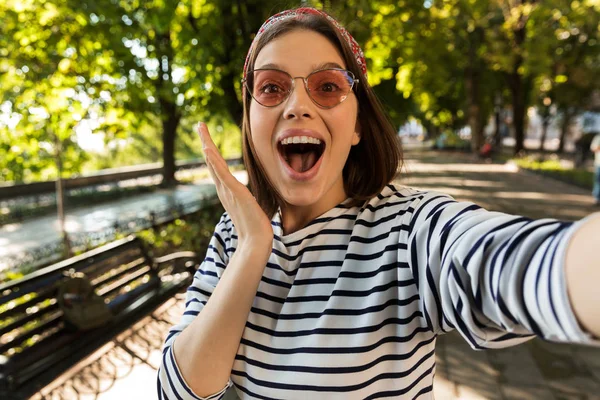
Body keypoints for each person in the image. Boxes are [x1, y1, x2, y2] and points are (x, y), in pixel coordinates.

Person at [158, 8, 600, 400]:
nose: (298, 106)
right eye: (271, 88)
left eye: (327, 87)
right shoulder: (234, 233)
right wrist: (253, 247)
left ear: (357, 127)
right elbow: (179, 389)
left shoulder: (409, 230)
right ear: (250, 122)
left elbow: (507, 264)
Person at [591, 132, 600, 206]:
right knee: (598, 181)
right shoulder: (598, 137)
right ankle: (597, 198)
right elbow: (594, 148)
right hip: (599, 163)